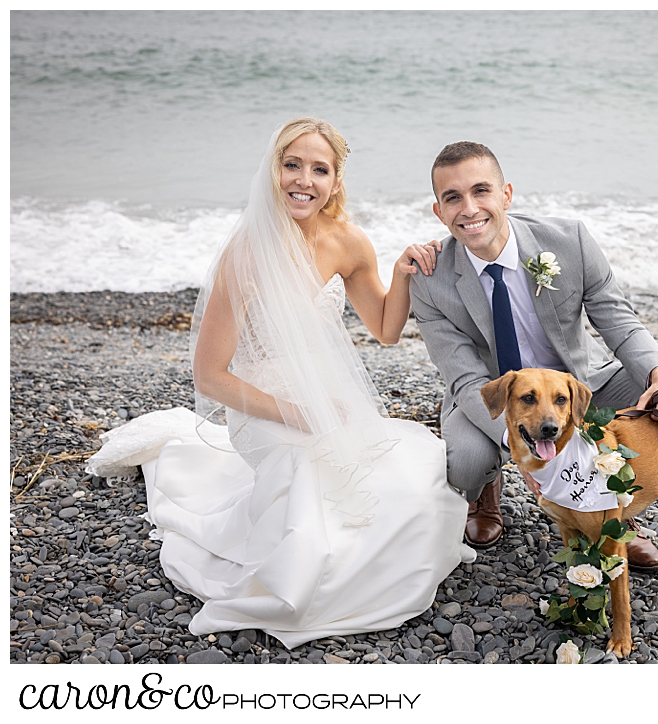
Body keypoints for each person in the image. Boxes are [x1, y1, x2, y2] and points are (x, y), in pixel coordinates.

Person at [86, 118, 472, 650]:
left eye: (320, 169)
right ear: (274, 171)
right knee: (311, 516)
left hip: (331, 401)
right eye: (293, 165)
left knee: (408, 490)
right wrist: (296, 412)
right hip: (263, 410)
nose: (304, 180)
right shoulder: (246, 253)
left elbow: (385, 330)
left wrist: (404, 273)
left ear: (336, 181)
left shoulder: (349, 242)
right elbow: (210, 376)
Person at [409, 142, 658, 571]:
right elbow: (466, 380)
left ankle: (615, 517)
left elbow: (618, 318)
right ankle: (487, 489)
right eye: (453, 198)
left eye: (481, 191)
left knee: (654, 399)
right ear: (438, 211)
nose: (469, 208)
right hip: (492, 398)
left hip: (575, 386)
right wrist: (524, 445)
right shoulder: (430, 280)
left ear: (506, 194)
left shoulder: (569, 240)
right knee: (464, 462)